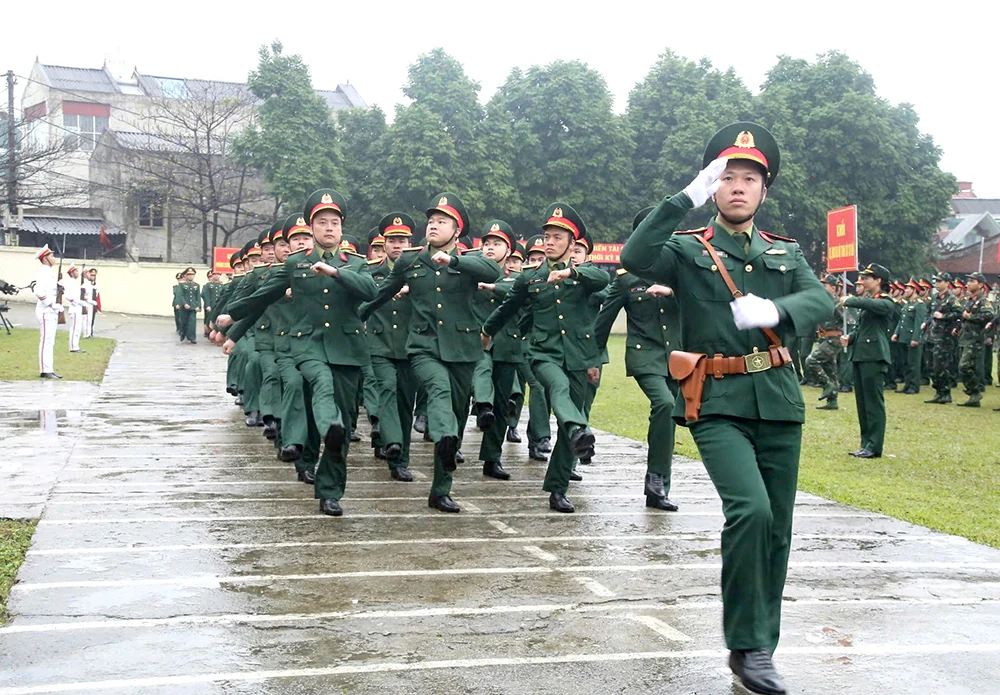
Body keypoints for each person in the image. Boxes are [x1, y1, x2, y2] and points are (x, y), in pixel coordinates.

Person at [620, 122, 833, 695]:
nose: (738, 187)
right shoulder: (689, 250)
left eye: (749, 178)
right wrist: (681, 198)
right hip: (715, 402)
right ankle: (745, 643)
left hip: (780, 401)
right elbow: (638, 255)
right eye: (726, 178)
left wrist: (776, 311)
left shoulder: (784, 252)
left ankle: (762, 649)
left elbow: (821, 299)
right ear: (713, 188)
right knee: (752, 512)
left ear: (765, 190)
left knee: (778, 531)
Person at [219, 189, 376, 518]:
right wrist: (232, 315)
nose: (328, 228)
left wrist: (335, 273)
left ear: (342, 228)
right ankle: (319, 437)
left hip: (347, 349)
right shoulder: (295, 263)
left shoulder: (357, 264)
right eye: (322, 222)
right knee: (318, 392)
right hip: (307, 345)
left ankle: (330, 490)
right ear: (312, 228)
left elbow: (369, 292)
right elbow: (264, 294)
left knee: (343, 425)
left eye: (334, 222)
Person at [362, 192, 501, 513]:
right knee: (437, 392)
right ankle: (444, 434)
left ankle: (440, 490)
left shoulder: (470, 261)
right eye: (431, 221)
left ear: (457, 230)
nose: (434, 226)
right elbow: (382, 293)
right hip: (423, 347)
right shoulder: (412, 261)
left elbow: (494, 273)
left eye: (442, 222)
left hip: (464, 350)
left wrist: (453, 260)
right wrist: (358, 318)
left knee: (456, 410)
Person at [483, 202, 608, 513]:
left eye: (556, 237)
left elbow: (603, 280)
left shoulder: (583, 274)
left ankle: (557, 488)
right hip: (543, 353)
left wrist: (571, 272)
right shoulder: (531, 277)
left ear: (572, 243)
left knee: (570, 428)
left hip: (578, 356)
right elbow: (508, 307)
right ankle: (580, 428)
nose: (549, 242)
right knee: (560, 394)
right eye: (547, 236)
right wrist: (487, 330)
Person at [595, 206, 680, 510]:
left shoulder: (683, 274)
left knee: (673, 417)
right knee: (665, 405)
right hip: (645, 356)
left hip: (680, 357)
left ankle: (660, 487)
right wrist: (593, 359)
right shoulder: (626, 279)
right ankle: (656, 481)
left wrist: (673, 292)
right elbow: (603, 321)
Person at [362, 213, 418, 481]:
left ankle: (400, 460)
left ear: (411, 243)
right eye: (392, 240)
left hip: (410, 345)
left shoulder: (419, 272)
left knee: (406, 401)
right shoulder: (371, 271)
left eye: (403, 240)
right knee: (386, 389)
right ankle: (391, 443)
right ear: (383, 244)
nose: (398, 246)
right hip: (379, 343)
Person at [471, 220, 521, 481]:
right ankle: (481, 406)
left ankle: (492, 458)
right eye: (487, 244)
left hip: (506, 344)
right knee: (482, 369)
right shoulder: (472, 273)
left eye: (497, 244)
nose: (490, 248)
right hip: (478, 342)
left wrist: (493, 286)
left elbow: (518, 292)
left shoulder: (515, 278)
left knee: (503, 405)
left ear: (509, 250)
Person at [841, 264, 895, 458]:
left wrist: (851, 300)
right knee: (862, 403)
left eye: (868, 277)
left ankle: (874, 446)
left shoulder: (885, 301)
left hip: (874, 356)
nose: (863, 280)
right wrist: (851, 337)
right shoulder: (869, 301)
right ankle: (866, 443)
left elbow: (875, 307)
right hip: (861, 354)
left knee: (873, 403)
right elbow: (864, 327)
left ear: (878, 280)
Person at [956, 272, 996, 407]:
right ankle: (974, 395)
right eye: (968, 281)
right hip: (965, 338)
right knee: (964, 367)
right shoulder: (970, 300)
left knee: (964, 366)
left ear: (980, 284)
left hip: (975, 339)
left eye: (972, 281)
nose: (968, 284)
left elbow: (989, 314)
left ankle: (975, 391)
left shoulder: (984, 301)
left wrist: (970, 317)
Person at [806, 275, 846, 410]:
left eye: (825, 285)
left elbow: (849, 321)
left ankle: (827, 385)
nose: (822, 287)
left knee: (811, 361)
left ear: (833, 288)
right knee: (830, 369)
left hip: (834, 339)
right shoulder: (825, 301)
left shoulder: (838, 303)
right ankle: (832, 401)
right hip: (825, 338)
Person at [923, 272, 962, 404]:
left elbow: (959, 314)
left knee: (941, 366)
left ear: (947, 283)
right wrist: (926, 322)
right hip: (932, 335)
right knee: (930, 365)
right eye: (936, 281)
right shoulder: (934, 298)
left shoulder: (952, 299)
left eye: (940, 281)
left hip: (945, 337)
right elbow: (929, 313)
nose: (937, 283)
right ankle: (938, 391)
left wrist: (943, 317)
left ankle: (945, 393)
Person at [891, 279, 927, 394]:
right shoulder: (908, 304)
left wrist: (916, 338)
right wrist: (896, 333)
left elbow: (919, 323)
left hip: (912, 338)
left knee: (913, 363)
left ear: (914, 290)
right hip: (904, 337)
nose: (905, 290)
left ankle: (914, 386)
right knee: (905, 363)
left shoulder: (919, 304)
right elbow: (901, 321)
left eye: (908, 288)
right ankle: (907, 384)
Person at [32, 245, 63, 379]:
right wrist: (51, 304)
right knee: (46, 341)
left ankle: (49, 368)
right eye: (51, 256)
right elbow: (38, 291)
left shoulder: (48, 272)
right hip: (45, 310)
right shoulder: (44, 272)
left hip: (51, 310)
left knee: (50, 341)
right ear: (45, 258)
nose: (53, 258)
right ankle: (45, 370)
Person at [59, 263, 86, 354]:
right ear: (71, 273)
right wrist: (76, 302)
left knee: (78, 328)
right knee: (74, 328)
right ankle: (73, 347)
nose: (77, 273)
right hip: (74, 308)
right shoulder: (70, 282)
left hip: (78, 307)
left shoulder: (74, 282)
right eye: (76, 271)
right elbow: (67, 295)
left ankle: (76, 346)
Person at [175, 267, 201, 344]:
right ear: (185, 276)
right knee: (184, 322)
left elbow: (198, 296)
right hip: (184, 307)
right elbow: (180, 295)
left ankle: (192, 337)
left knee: (192, 323)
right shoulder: (182, 285)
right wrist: (184, 303)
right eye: (189, 275)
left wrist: (198, 306)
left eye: (192, 275)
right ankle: (183, 332)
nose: (191, 276)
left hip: (193, 307)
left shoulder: (196, 285)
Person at [201, 269, 224, 338]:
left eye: (218, 274)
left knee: (218, 320)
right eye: (215, 274)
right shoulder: (208, 285)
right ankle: (208, 332)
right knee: (209, 319)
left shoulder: (222, 285)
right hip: (211, 305)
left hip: (219, 305)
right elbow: (206, 296)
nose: (216, 276)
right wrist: (207, 305)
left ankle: (217, 333)